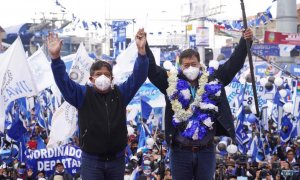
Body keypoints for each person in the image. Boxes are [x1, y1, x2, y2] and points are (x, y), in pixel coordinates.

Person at [143, 28, 253, 180]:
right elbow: (153, 71)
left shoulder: (213, 80)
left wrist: (244, 41)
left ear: (200, 64)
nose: (190, 68)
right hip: (180, 152)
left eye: (193, 64)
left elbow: (233, 64)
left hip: (206, 151)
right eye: (186, 65)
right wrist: (144, 48)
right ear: (180, 67)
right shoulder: (171, 83)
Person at [47, 29, 149, 180]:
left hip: (116, 160)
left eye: (107, 75)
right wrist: (55, 58)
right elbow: (64, 82)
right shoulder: (82, 95)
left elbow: (138, 77)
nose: (103, 77)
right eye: (98, 74)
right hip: (91, 161)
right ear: (91, 78)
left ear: (112, 78)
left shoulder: (120, 94)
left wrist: (141, 52)